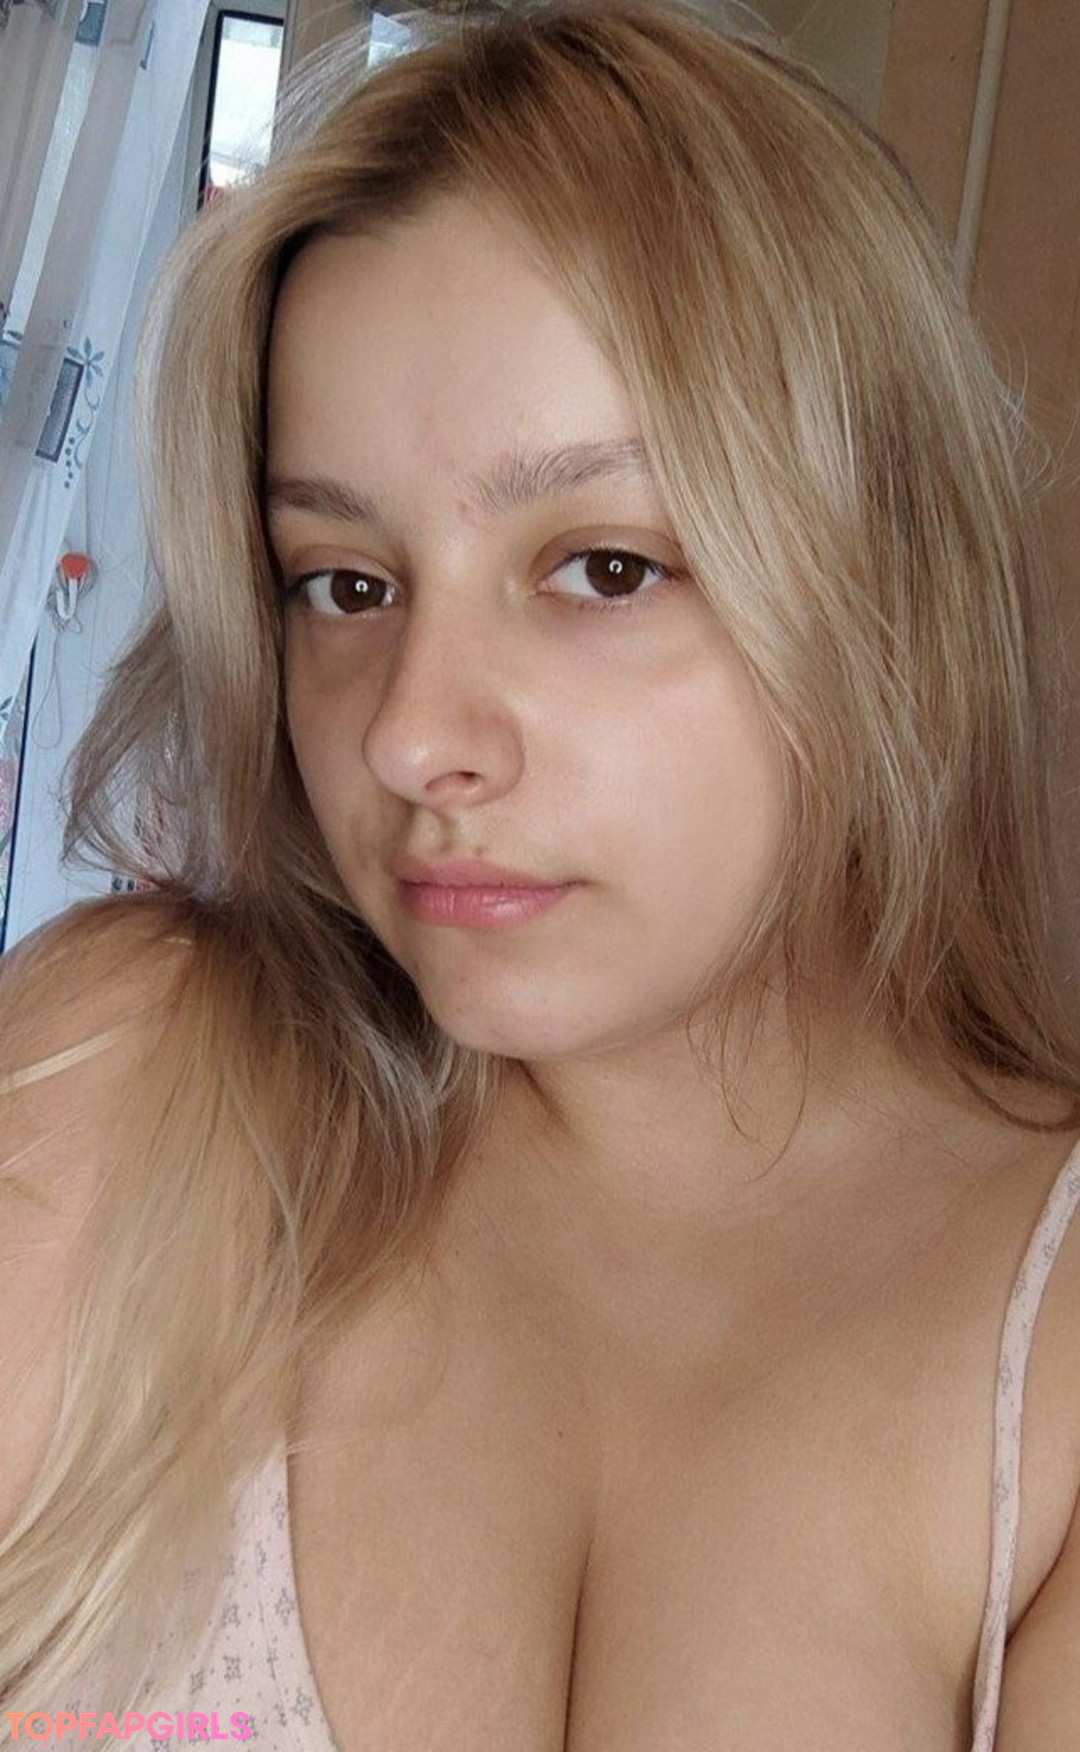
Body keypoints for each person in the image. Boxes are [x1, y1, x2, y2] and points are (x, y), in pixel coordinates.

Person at [2, 0, 1079, 1744]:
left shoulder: (1051, 1363)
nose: (410, 735)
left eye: (602, 567)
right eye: (345, 584)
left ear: (884, 584)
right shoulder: (136, 1092)